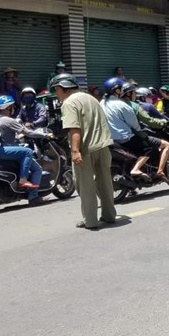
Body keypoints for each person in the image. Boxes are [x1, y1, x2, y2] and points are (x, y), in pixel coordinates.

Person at [50, 73, 116, 230]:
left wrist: (74, 151)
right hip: (104, 146)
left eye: (56, 90)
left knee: (85, 186)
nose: (56, 93)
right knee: (105, 183)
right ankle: (109, 215)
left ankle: (91, 221)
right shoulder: (91, 98)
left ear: (62, 88)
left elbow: (75, 129)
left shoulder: (69, 103)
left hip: (86, 150)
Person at [0, 95, 44, 205]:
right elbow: (28, 132)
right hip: (8, 149)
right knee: (37, 168)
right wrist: (44, 134)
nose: (13, 109)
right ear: (7, 108)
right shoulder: (9, 120)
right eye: (12, 106)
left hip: (1, 149)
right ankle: (33, 196)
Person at [100, 78, 155, 181]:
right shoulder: (122, 105)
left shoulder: (102, 103)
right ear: (117, 90)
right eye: (121, 88)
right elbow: (134, 125)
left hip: (107, 138)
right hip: (123, 138)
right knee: (147, 148)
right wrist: (141, 133)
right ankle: (136, 169)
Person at [122, 83, 169, 180]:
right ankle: (160, 171)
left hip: (121, 136)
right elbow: (149, 121)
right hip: (135, 134)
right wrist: (163, 122)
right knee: (165, 145)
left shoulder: (117, 105)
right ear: (129, 94)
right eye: (134, 93)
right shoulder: (134, 106)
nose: (136, 95)